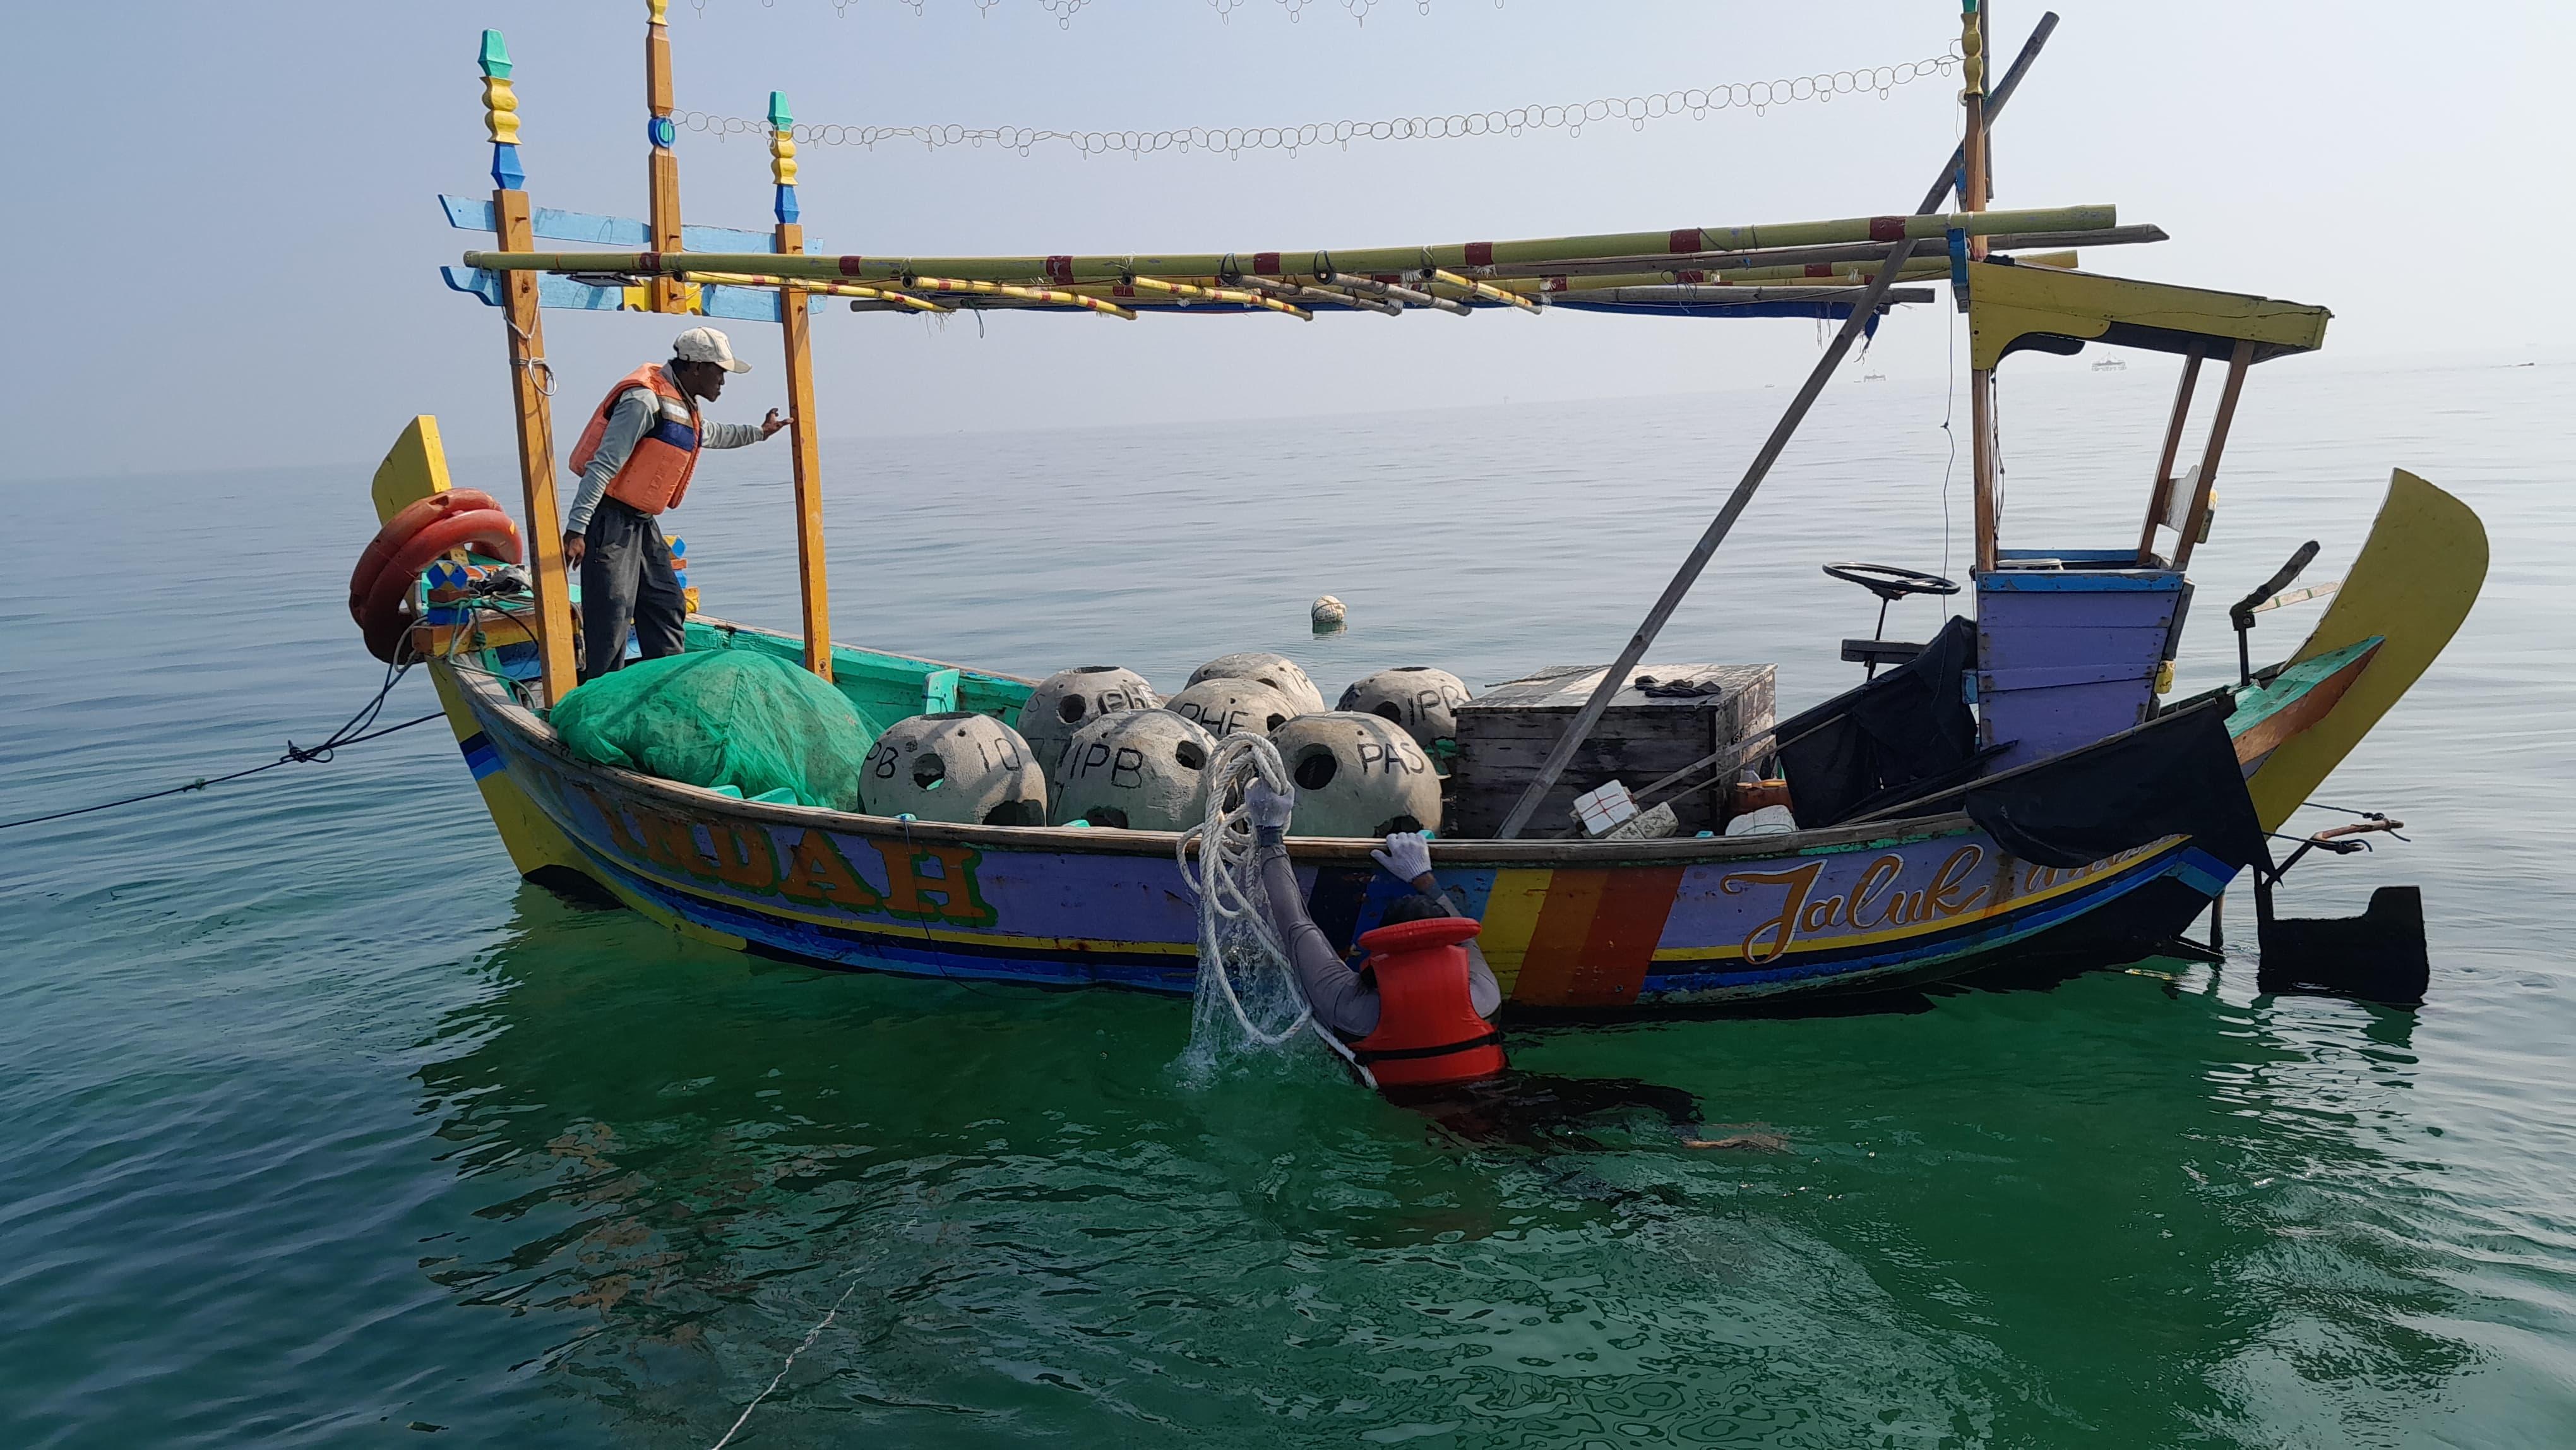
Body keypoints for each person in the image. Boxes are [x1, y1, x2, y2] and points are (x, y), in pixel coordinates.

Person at [1243, 782, 1783, 1153]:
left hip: (1437, 1120)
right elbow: (1463, 930)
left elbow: (1295, 922)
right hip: (1515, 1094)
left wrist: (1269, 833)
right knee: (1657, 1098)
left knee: (1550, 1168)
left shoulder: (1349, 1005)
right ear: (1444, 945)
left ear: (1377, 954)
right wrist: (1423, 877)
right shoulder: (1478, 990)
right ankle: (1694, 1138)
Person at [561, 326, 790, 678]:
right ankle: (601, 697)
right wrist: (577, 529)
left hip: (642, 522)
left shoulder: (682, 403)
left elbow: (711, 434)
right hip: (609, 520)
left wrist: (760, 433)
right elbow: (602, 466)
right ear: (696, 366)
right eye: (720, 371)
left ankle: (667, 688)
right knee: (612, 616)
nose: (723, 381)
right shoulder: (643, 401)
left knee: (667, 604)